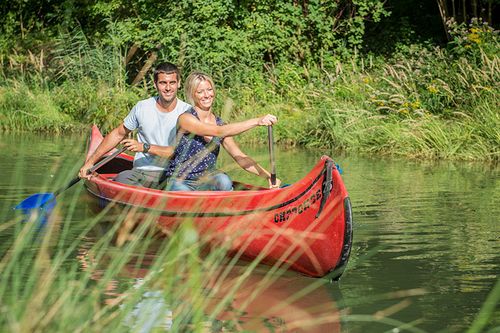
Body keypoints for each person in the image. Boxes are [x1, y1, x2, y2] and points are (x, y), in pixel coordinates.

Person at [79, 62, 191, 188]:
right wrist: (90, 162)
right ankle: (144, 197)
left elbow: (179, 152)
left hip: (172, 174)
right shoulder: (142, 107)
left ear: (179, 83)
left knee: (182, 185)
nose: (168, 88)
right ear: (155, 84)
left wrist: (144, 147)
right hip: (142, 173)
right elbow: (118, 134)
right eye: (163, 83)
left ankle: (148, 198)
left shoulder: (188, 112)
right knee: (122, 177)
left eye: (172, 83)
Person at [163, 71, 281, 191]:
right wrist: (257, 121)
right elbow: (219, 132)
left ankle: (221, 205)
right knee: (186, 194)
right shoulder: (186, 119)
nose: (206, 95)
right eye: (200, 92)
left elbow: (240, 157)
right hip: (181, 180)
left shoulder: (219, 123)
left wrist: (269, 177)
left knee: (224, 181)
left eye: (209, 90)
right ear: (192, 95)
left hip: (207, 179)